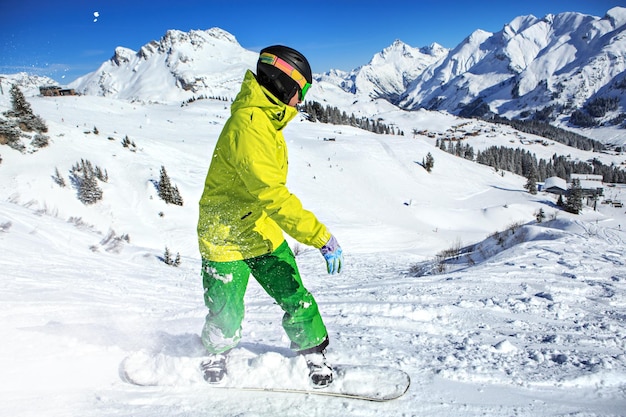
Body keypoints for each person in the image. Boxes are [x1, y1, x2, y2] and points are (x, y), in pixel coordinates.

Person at [196, 45, 343, 387]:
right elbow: (273, 193)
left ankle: (312, 348)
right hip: (224, 233)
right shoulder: (249, 126)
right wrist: (319, 236)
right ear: (283, 85)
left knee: (294, 292)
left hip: (258, 226)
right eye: (300, 93)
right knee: (225, 308)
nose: (300, 102)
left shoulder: (265, 121)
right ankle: (217, 348)